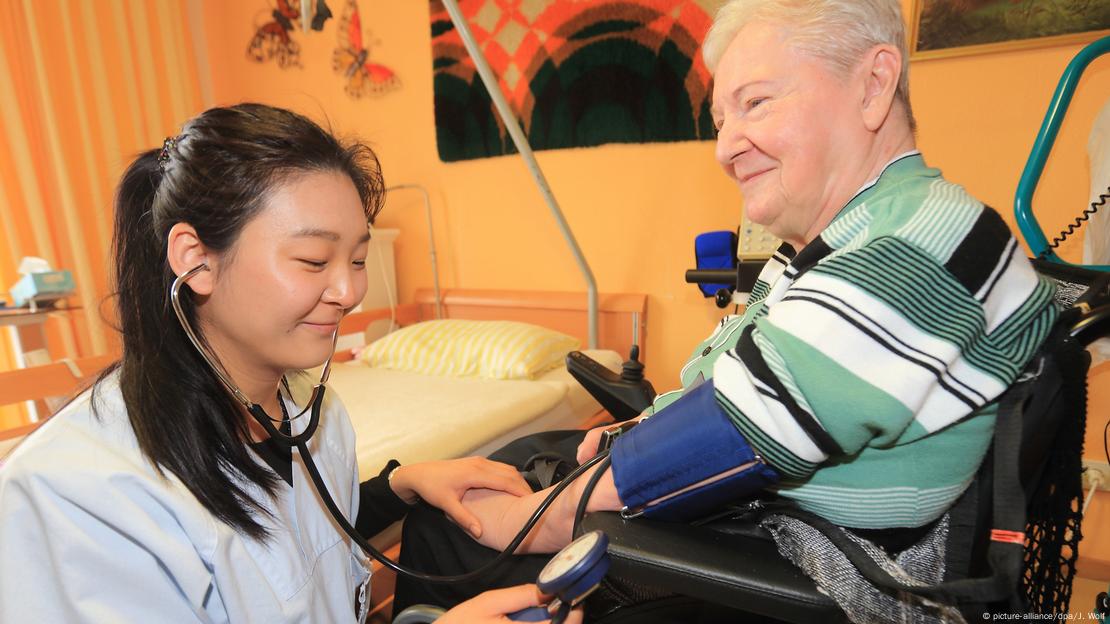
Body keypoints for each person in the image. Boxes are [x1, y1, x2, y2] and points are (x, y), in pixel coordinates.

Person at [393, 0, 1059, 614]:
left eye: (756, 103)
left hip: (812, 570)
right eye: (721, 120)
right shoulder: (843, 241)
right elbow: (733, 386)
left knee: (447, 526)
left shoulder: (920, 242)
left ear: (873, 85)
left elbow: (736, 425)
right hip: (779, 527)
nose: (725, 147)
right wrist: (614, 442)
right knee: (515, 461)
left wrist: (540, 517)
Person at [0, 103, 580, 624]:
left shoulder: (313, 420)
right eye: (312, 259)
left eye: (357, 258)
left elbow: (299, 542)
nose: (349, 291)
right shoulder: (77, 499)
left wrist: (399, 486)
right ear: (196, 259)